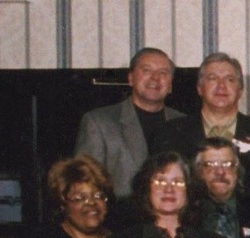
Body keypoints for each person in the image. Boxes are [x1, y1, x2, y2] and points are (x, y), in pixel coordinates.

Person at [155, 52, 250, 206]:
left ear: (240, 90)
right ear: (199, 88)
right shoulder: (170, 133)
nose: (221, 86)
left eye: (229, 79)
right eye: (212, 78)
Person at [75, 47, 181, 199]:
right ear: (131, 78)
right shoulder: (98, 122)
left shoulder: (183, 123)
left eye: (163, 73)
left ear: (170, 85)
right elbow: (85, 184)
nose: (155, 78)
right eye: (146, 71)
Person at [194, 138, 248, 238]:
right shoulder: (186, 215)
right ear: (199, 172)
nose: (220, 172)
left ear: (237, 170)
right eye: (210, 164)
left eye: (228, 164)